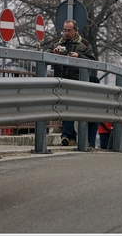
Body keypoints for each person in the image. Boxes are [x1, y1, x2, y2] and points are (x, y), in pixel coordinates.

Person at [46, 19, 98, 148]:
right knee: (65, 108)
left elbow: (92, 61)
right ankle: (68, 136)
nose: (67, 33)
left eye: (69, 30)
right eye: (65, 30)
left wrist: (79, 56)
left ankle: (69, 136)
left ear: (75, 30)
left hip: (77, 83)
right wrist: (54, 53)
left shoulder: (84, 44)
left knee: (71, 109)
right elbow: (43, 58)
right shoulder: (56, 44)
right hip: (61, 82)